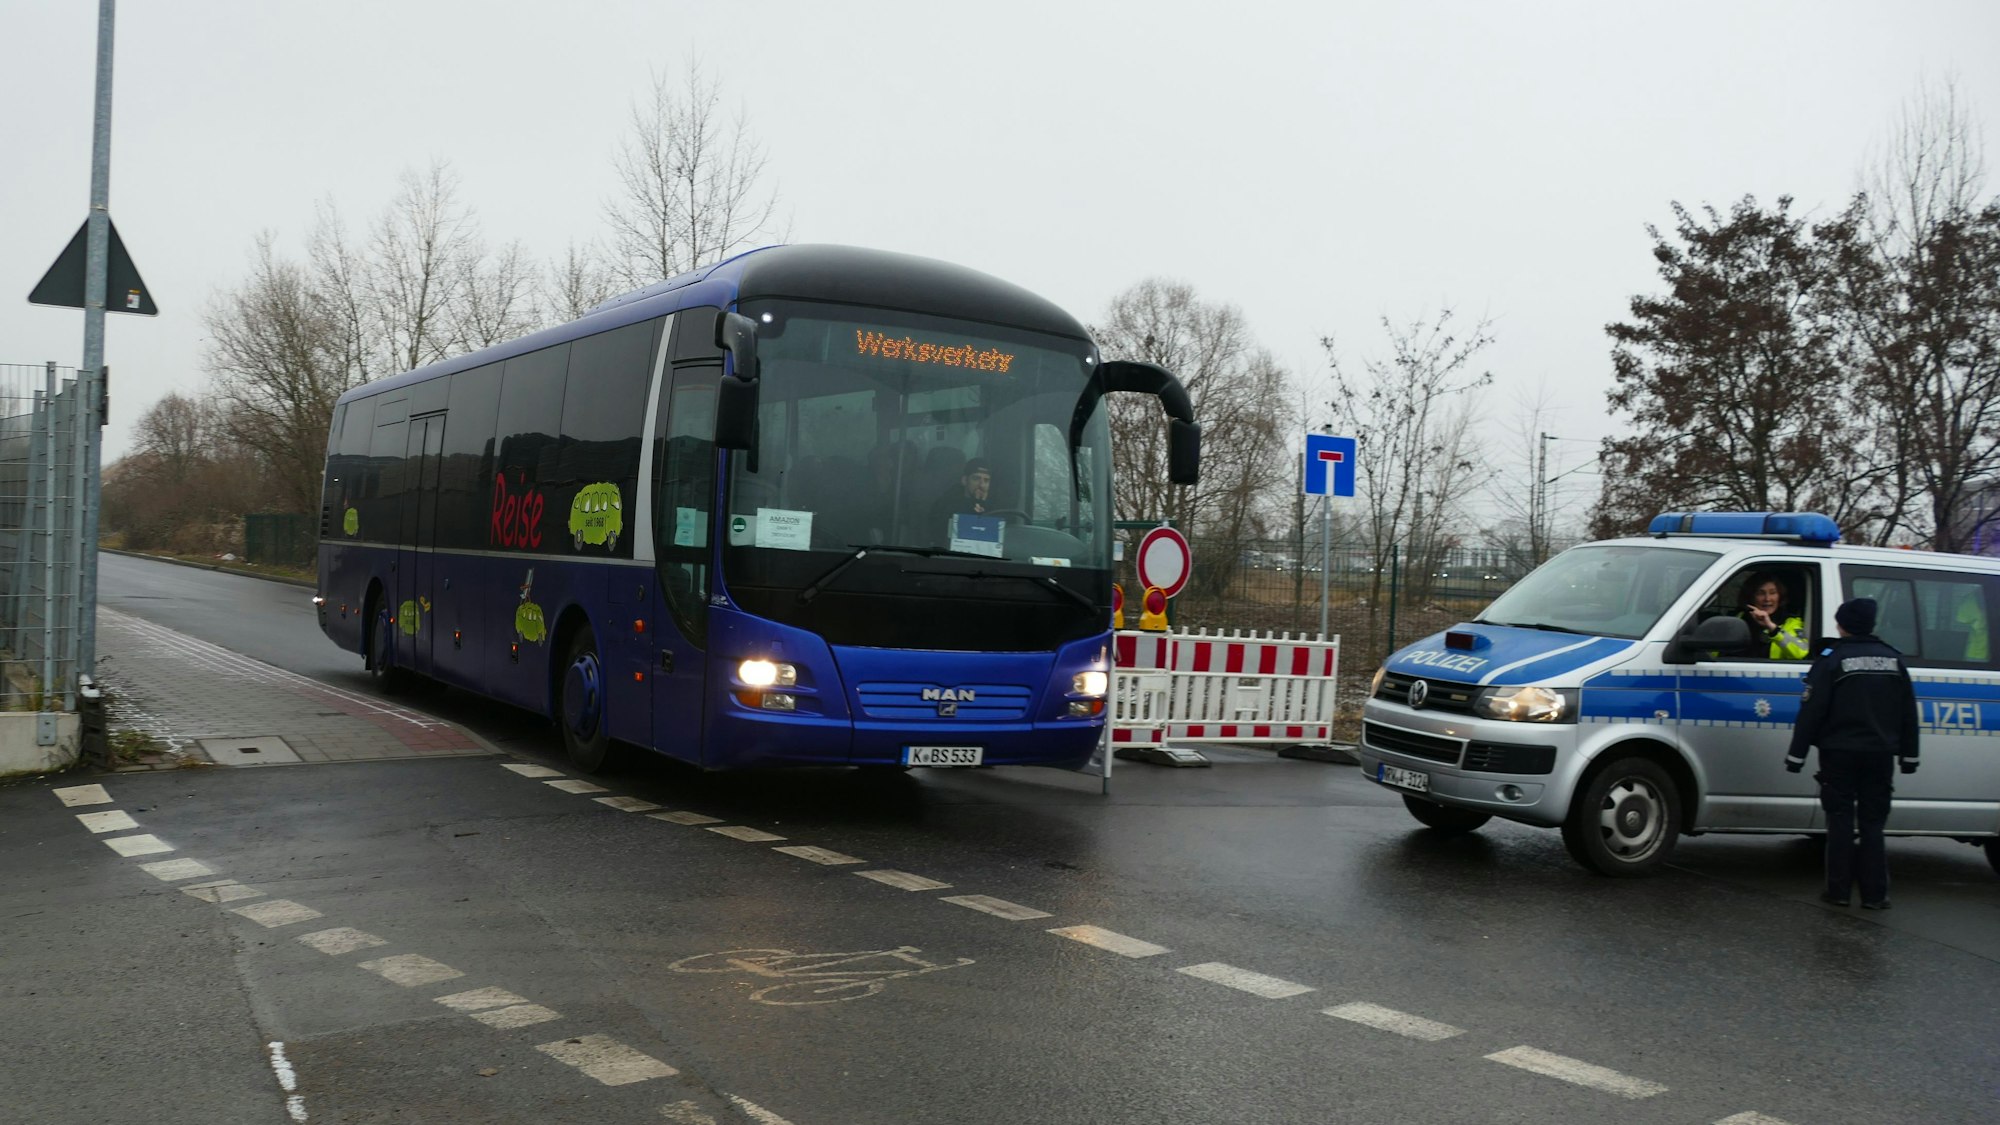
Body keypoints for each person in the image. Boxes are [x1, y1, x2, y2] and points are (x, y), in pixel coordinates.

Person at [1784, 597, 1920, 910]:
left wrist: (1796, 756)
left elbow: (1812, 711)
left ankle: (1839, 891)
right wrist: (1909, 756)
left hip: (1839, 754)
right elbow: (1908, 713)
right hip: (1880, 755)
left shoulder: (1833, 660)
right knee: (1873, 824)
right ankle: (1875, 895)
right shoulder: (1893, 660)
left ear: (1842, 625)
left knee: (1840, 821)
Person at [1738, 571, 1809, 659]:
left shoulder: (1791, 622)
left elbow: (1801, 652)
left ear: (1779, 596)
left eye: (1772, 593)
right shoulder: (1739, 619)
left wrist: (1772, 628)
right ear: (1751, 597)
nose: (1767, 599)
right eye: (1761, 593)